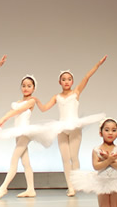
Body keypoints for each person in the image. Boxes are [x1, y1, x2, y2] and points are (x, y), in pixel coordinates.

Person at [36, 55, 107, 196]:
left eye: (69, 79)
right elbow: (44, 109)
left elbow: (86, 77)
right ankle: (70, 187)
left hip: (74, 126)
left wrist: (98, 65)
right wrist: (36, 100)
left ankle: (77, 183)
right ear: (59, 82)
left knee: (74, 157)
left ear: (72, 81)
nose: (66, 81)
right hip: (62, 128)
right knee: (65, 158)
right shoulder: (56, 97)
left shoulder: (76, 92)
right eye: (64, 79)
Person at [0, 75, 56, 199]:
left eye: (29, 86)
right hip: (18, 133)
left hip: (25, 132)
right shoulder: (17, 102)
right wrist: (2, 120)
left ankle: (3, 187)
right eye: (23, 86)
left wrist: (3, 119)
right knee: (25, 162)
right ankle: (31, 189)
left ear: (33, 88)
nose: (26, 88)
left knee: (14, 160)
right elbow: (12, 111)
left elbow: (17, 111)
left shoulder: (31, 101)